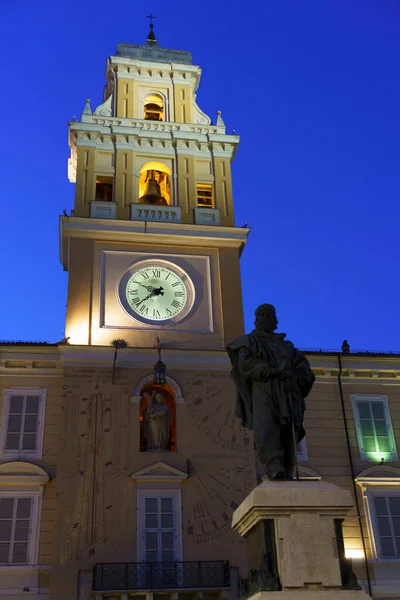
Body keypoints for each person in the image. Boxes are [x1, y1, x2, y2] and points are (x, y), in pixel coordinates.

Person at [227, 304, 315, 480]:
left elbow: (305, 369)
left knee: (289, 431)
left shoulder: (288, 346)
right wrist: (272, 370)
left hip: (288, 390)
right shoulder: (248, 342)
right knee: (266, 427)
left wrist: (294, 374)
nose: (265, 319)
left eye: (268, 316)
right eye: (262, 316)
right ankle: (274, 465)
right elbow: (246, 365)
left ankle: (287, 466)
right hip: (264, 389)